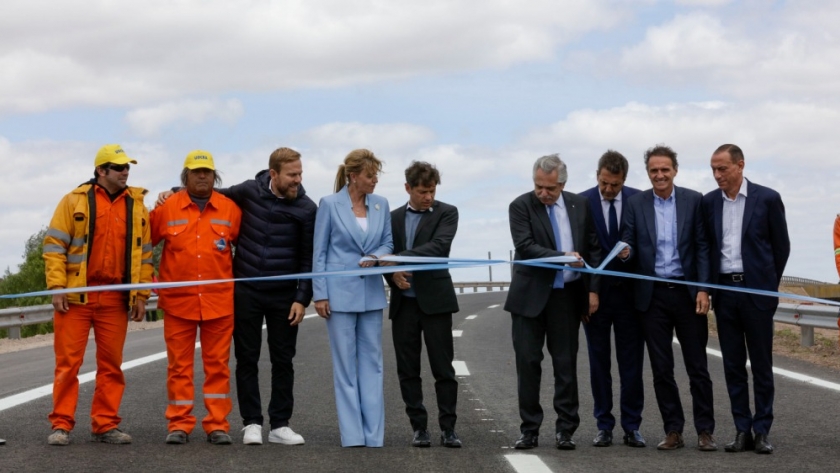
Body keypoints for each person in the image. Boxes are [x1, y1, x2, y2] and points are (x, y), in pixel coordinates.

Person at [158, 147, 316, 445]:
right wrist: (173, 191)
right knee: (246, 358)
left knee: (284, 360)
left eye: (300, 174)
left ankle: (280, 424)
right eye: (292, 174)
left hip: (283, 296)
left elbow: (309, 258)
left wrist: (302, 297)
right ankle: (251, 423)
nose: (298, 179)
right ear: (274, 174)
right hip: (246, 293)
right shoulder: (248, 192)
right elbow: (209, 192)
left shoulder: (307, 208)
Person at [42, 144, 153, 446]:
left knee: (111, 365)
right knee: (68, 364)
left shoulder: (137, 205)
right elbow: (54, 247)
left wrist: (141, 294)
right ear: (101, 171)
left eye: (127, 167)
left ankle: (105, 425)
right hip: (76, 297)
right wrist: (56, 287)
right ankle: (61, 425)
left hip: (116, 299)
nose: (125, 172)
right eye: (119, 168)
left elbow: (145, 256)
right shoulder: (74, 201)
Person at [619, 144, 715, 452]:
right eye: (653, 170)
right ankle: (673, 430)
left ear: (675, 170)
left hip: (687, 294)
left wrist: (702, 288)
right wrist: (625, 252)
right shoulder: (635, 204)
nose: (659, 175)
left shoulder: (693, 201)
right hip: (652, 297)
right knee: (661, 369)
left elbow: (702, 247)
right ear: (647, 173)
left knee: (697, 366)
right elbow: (629, 244)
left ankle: (705, 431)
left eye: (665, 169)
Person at [504, 154, 602, 451]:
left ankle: (566, 429)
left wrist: (593, 290)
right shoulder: (520, 206)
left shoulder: (580, 204)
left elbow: (593, 248)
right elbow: (525, 247)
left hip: (567, 298)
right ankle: (529, 429)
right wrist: (561, 257)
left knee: (565, 365)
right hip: (529, 299)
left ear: (563, 183)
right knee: (529, 364)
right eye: (538, 187)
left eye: (550, 188)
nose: (543, 194)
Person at [702, 144, 790, 454]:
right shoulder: (709, 202)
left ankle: (762, 430)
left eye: (722, 168)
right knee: (733, 365)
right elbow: (708, 246)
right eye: (713, 169)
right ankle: (742, 429)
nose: (717, 175)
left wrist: (767, 286)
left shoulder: (767, 199)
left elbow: (781, 248)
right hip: (725, 293)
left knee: (762, 365)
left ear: (740, 165)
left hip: (756, 293)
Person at [151, 150, 242, 445]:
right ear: (185, 176)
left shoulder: (230, 209)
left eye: (207, 172)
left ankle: (217, 424)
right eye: (196, 172)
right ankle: (179, 424)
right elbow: (140, 245)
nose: (202, 176)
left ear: (215, 176)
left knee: (218, 366)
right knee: (179, 367)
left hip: (219, 303)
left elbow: (248, 248)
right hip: (178, 304)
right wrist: (147, 285)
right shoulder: (167, 208)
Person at [313, 149, 393, 448]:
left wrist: (376, 256)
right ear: (354, 176)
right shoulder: (329, 204)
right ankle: (352, 435)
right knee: (345, 366)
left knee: (373, 365)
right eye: (370, 176)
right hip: (338, 296)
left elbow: (387, 242)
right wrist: (319, 294)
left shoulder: (381, 205)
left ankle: (374, 436)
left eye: (376, 176)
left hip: (371, 295)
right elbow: (319, 252)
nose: (374, 181)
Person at [384, 161, 461, 448]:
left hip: (437, 303)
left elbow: (439, 247)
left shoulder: (447, 212)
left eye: (432, 191)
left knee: (443, 369)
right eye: (422, 191)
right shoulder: (390, 218)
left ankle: (449, 429)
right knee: (408, 370)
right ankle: (419, 428)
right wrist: (391, 272)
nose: (428, 196)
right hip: (404, 304)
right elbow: (384, 256)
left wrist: (399, 259)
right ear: (408, 188)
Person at [579, 150, 646, 448]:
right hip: (595, 298)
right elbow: (580, 248)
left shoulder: (638, 200)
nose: (608, 190)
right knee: (598, 362)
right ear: (597, 175)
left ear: (624, 181)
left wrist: (630, 253)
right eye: (604, 183)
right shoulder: (582, 202)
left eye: (614, 185)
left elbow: (647, 243)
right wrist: (586, 292)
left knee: (631, 363)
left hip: (631, 298)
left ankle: (632, 426)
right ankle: (603, 425)